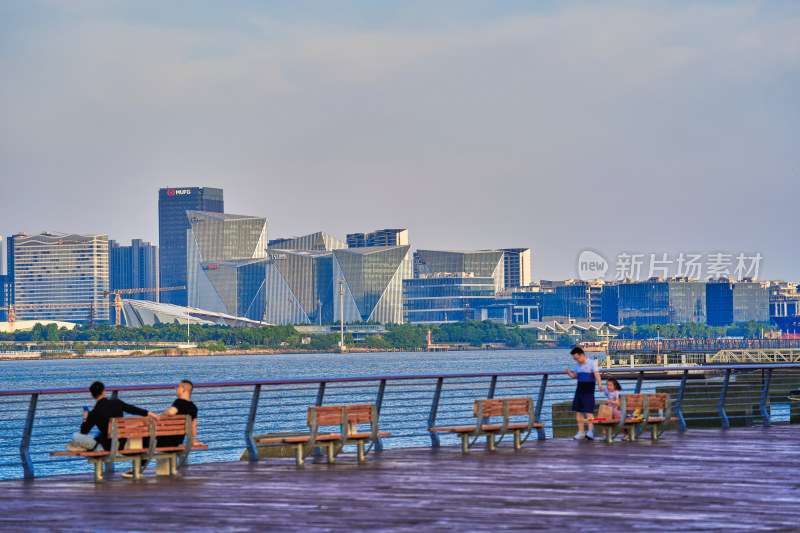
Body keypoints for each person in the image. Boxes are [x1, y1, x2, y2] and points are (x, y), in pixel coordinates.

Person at [68, 381, 157, 452]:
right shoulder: (117, 403)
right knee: (98, 434)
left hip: (107, 447)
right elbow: (133, 410)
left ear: (92, 395)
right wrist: (150, 413)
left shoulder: (94, 412)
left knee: (75, 436)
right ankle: (83, 447)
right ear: (104, 392)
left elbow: (84, 431)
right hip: (122, 443)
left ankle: (83, 447)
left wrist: (85, 418)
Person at [563, 346, 604, 440]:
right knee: (578, 411)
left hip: (589, 390)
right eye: (575, 359)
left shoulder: (591, 363)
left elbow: (597, 374)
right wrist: (569, 373)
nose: (576, 360)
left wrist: (600, 385)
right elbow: (576, 376)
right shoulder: (578, 365)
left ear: (582, 355)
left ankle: (590, 431)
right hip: (579, 389)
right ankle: (581, 431)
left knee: (589, 411)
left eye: (577, 358)